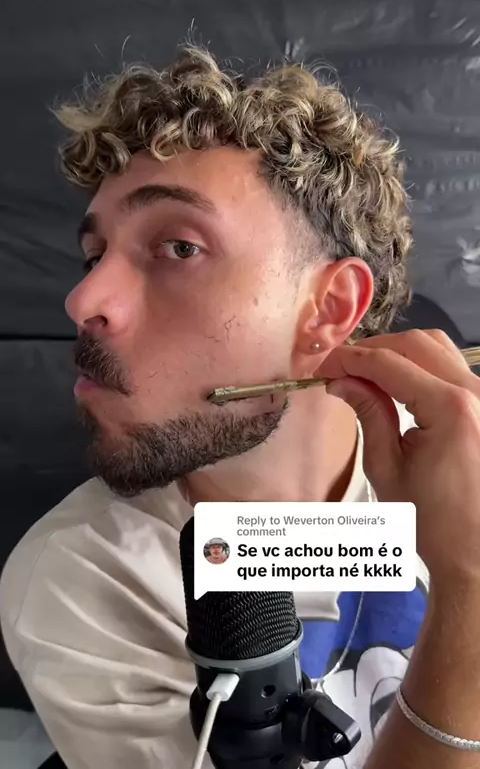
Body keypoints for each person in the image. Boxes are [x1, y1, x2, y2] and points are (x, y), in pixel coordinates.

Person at [0, 44, 479, 769]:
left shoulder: (457, 464)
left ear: (329, 309)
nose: (84, 299)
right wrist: (469, 588)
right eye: (95, 256)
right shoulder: (88, 577)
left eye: (177, 247)